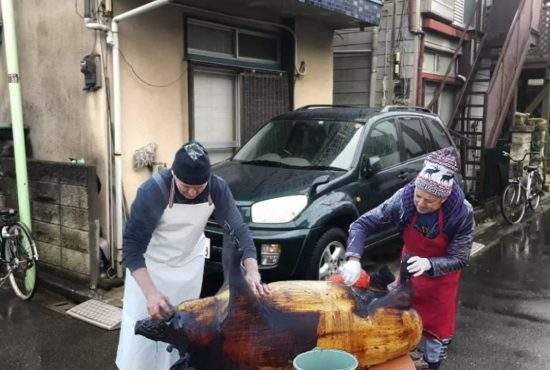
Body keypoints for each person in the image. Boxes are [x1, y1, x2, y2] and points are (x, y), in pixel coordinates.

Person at [116, 141, 269, 370]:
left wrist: (253, 271)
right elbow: (131, 248)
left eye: (198, 187)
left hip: (188, 266)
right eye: (185, 185)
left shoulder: (217, 189)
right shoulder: (153, 192)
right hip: (150, 269)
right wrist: (151, 294)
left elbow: (239, 230)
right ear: (173, 174)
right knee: (142, 341)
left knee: (184, 331)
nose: (191, 192)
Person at [340, 147, 474, 369]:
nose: (421, 204)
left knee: (434, 336)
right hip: (408, 271)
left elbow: (460, 258)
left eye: (429, 201)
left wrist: (429, 264)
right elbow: (361, 224)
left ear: (444, 198)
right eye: (419, 196)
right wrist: (353, 258)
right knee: (402, 324)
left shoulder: (461, 214)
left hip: (440, 282)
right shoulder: (404, 198)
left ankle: (433, 362)